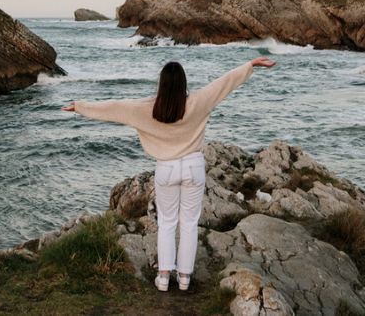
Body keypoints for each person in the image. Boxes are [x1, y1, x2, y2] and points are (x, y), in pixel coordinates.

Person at [62, 56, 277, 291]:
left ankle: (164, 277)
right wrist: (250, 65)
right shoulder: (197, 102)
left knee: (166, 224)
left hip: (166, 169)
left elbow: (114, 107)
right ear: (183, 83)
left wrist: (80, 107)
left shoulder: (146, 109)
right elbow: (224, 83)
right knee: (189, 224)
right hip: (193, 167)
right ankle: (184, 278)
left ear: (161, 84)